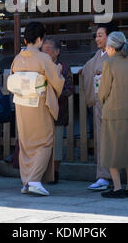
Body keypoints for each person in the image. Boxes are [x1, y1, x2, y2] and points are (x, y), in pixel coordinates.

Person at [10, 21, 65, 196]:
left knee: (26, 142)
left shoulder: (17, 58)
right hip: (38, 103)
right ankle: (34, 180)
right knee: (44, 141)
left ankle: (26, 181)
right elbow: (56, 81)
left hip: (21, 102)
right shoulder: (43, 58)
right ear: (39, 39)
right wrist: (57, 70)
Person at [99, 32, 128, 199]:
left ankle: (117, 188)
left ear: (111, 48)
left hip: (113, 111)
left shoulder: (109, 63)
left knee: (111, 150)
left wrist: (102, 101)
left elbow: (103, 91)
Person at [81, 24, 113, 191]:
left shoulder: (115, 55)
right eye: (96, 35)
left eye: (100, 35)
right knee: (101, 139)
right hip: (99, 102)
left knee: (113, 140)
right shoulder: (97, 55)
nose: (97, 38)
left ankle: (112, 176)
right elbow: (88, 69)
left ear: (109, 36)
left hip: (113, 102)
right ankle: (103, 176)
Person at [41, 38, 74, 184]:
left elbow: (69, 89)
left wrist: (53, 95)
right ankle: (40, 172)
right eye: (43, 49)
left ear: (57, 52)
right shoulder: (39, 66)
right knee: (41, 144)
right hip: (41, 111)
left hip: (59, 111)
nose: (44, 52)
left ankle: (54, 172)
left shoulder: (64, 67)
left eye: (48, 49)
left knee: (57, 144)